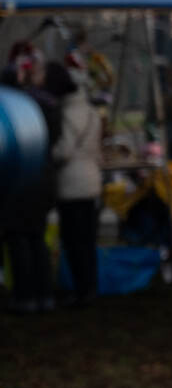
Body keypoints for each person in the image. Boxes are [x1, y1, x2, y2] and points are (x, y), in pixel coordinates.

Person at [1, 46, 60, 314]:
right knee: (36, 238)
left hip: (19, 181)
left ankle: (25, 296)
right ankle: (44, 294)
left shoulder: (13, 108)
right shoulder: (48, 104)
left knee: (19, 241)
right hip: (41, 181)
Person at [44, 61, 103, 305]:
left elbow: (64, 151)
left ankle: (81, 291)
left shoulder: (68, 114)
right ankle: (90, 287)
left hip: (71, 185)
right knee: (88, 241)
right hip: (91, 181)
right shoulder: (90, 111)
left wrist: (47, 154)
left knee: (74, 241)